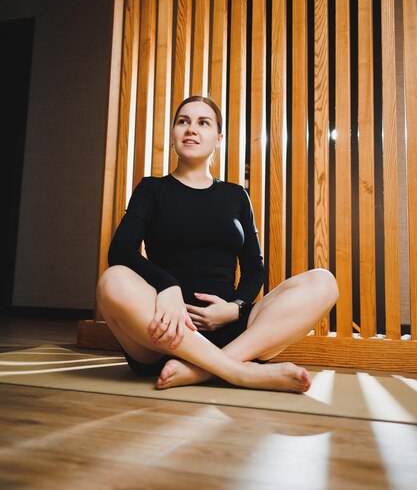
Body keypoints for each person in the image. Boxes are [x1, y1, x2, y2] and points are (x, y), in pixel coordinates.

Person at [97, 95, 339, 393]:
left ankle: (203, 370)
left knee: (323, 282)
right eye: (183, 121)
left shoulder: (236, 196)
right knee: (112, 280)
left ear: (218, 138)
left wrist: (235, 309)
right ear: (173, 135)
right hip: (165, 327)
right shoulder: (152, 189)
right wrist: (167, 287)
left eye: (203, 122)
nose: (191, 129)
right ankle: (241, 374)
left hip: (232, 331)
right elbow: (120, 250)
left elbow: (254, 268)